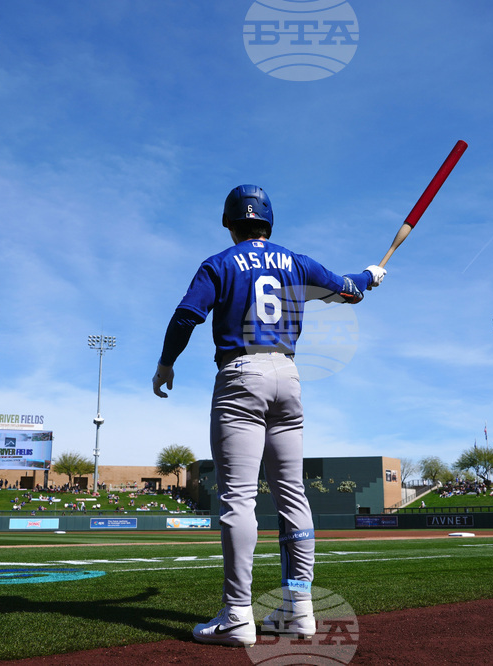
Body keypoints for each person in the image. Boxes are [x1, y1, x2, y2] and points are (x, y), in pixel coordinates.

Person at [152, 184, 385, 647]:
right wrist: (371, 275)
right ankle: (300, 610)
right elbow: (350, 290)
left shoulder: (219, 263)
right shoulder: (296, 261)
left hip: (241, 375)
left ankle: (238, 614)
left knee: (238, 498)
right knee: (292, 494)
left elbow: (185, 316)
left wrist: (166, 362)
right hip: (288, 376)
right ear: (269, 222)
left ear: (230, 223)